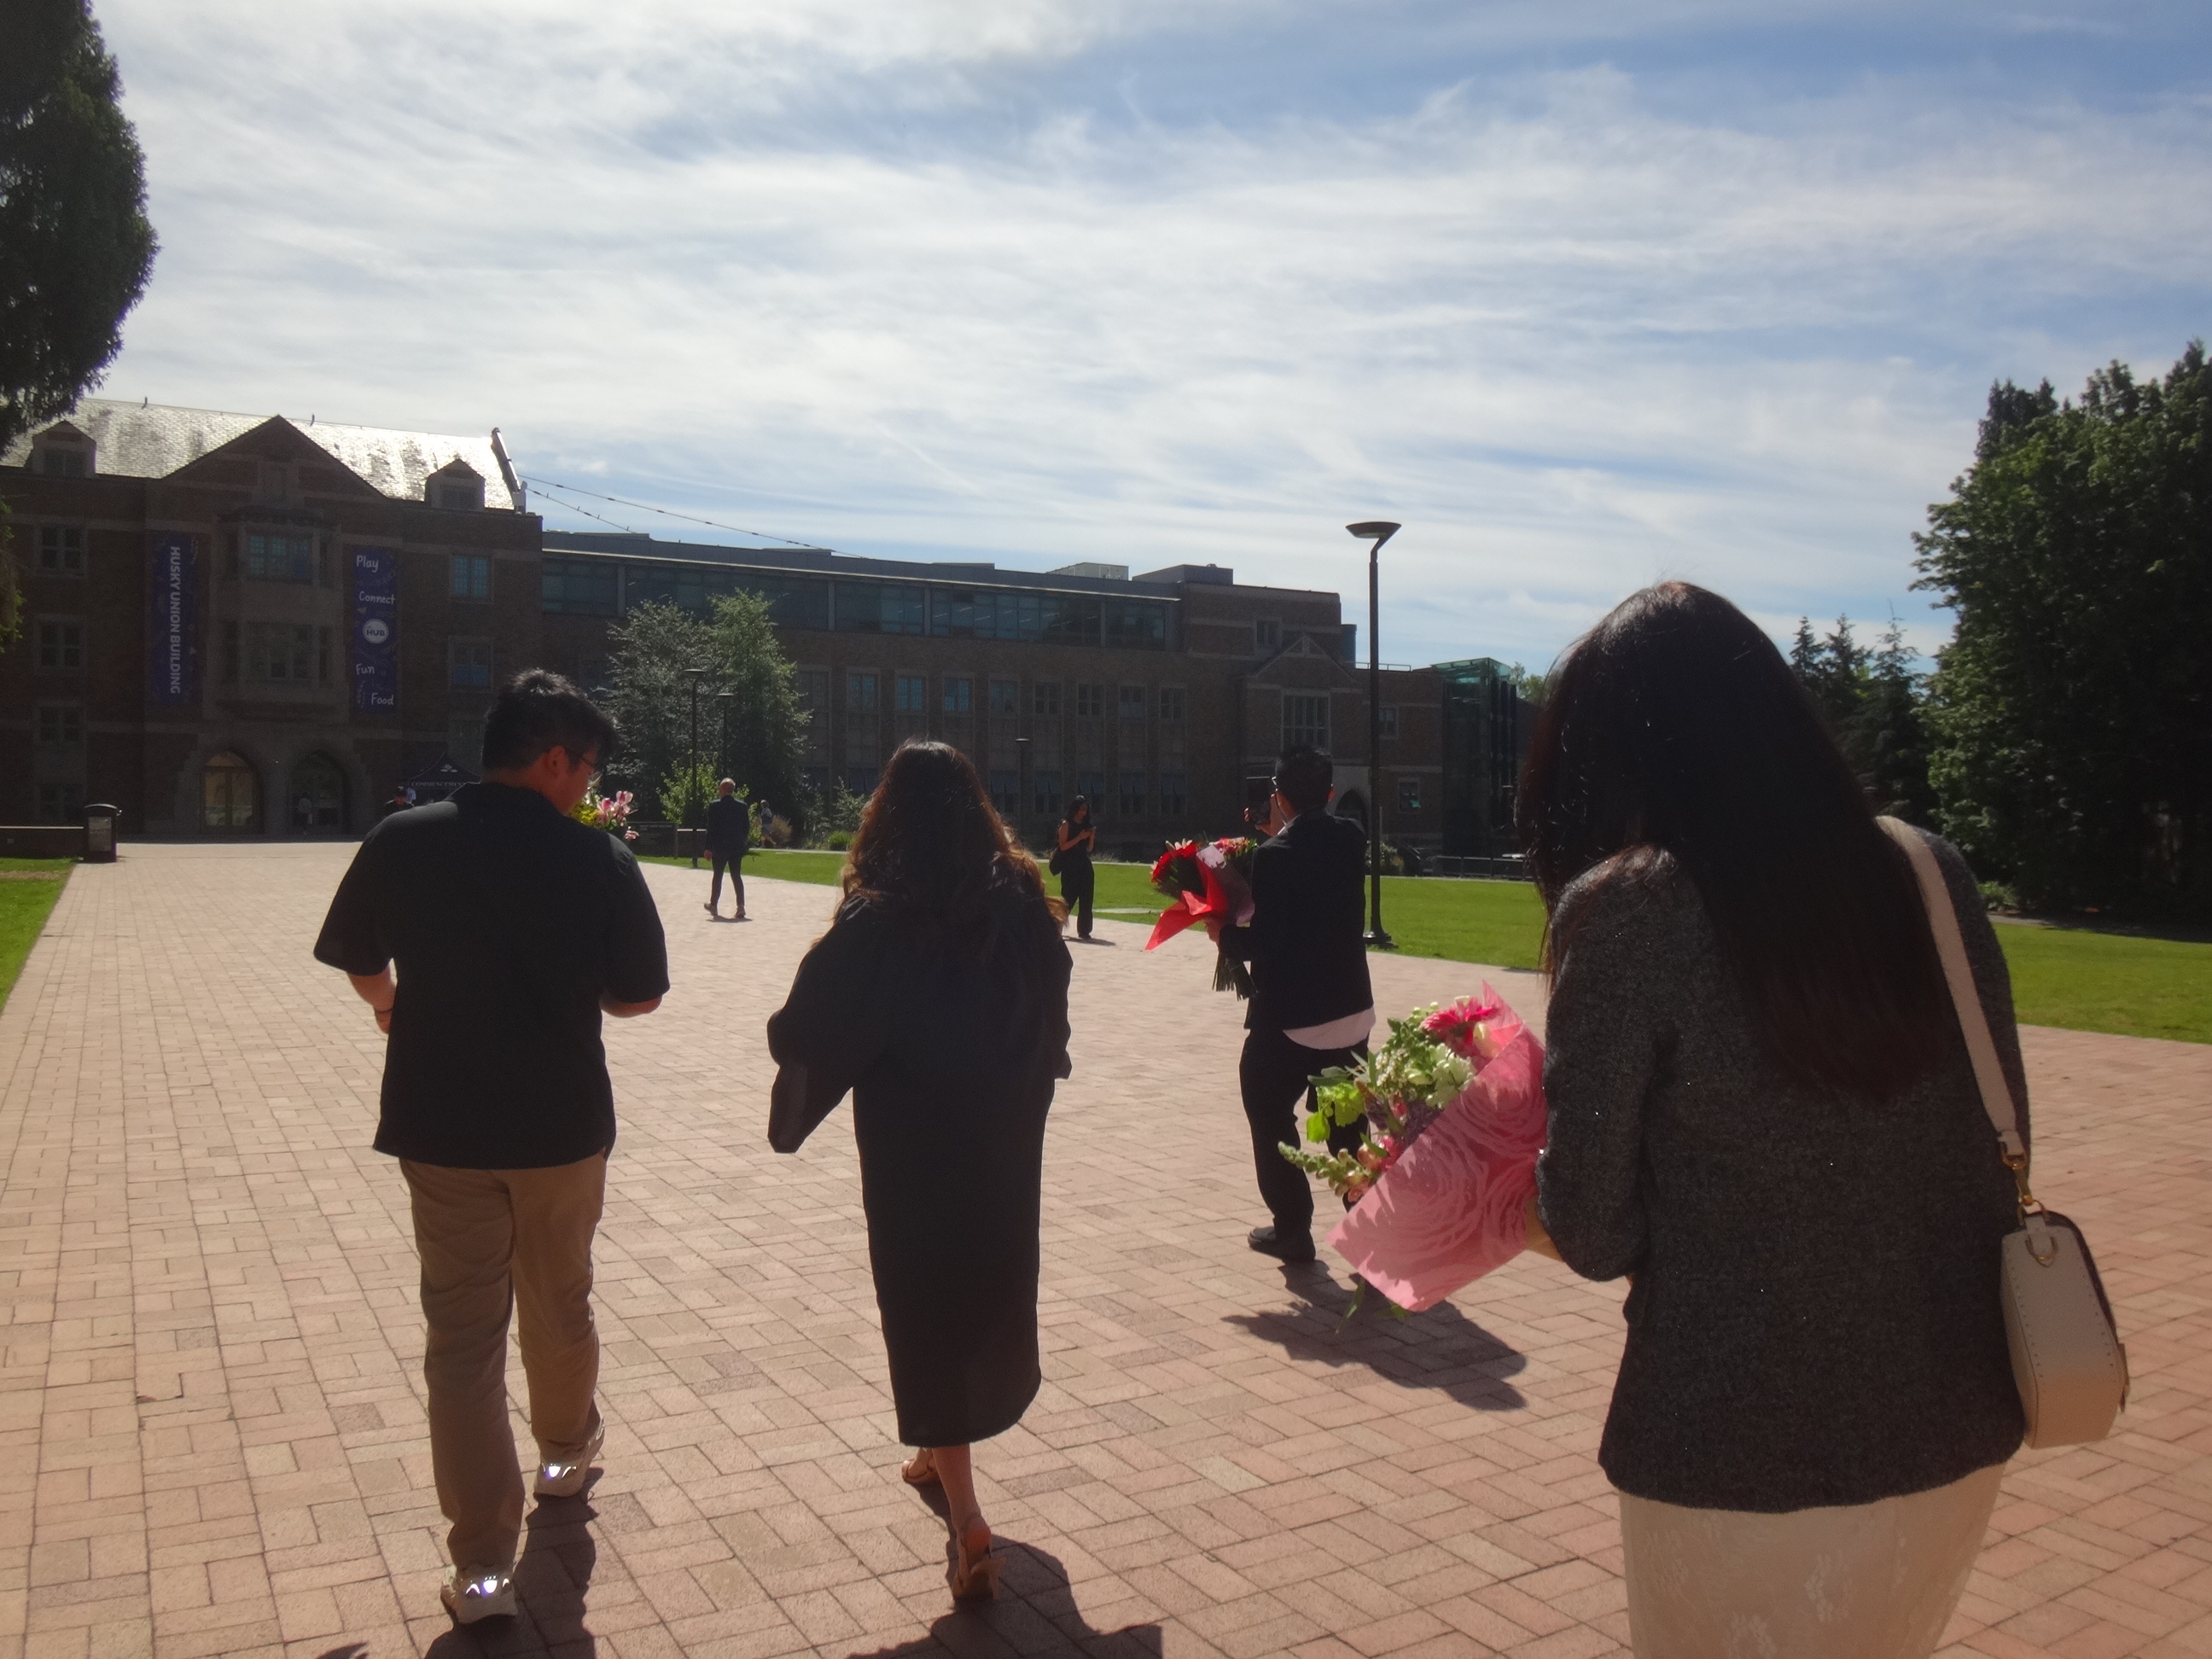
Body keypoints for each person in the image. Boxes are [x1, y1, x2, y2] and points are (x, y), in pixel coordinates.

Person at [1523, 583, 2023, 1659]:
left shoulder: (1631, 908)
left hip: (1734, 1445)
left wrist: (1481, 1171)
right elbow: (1997, 1137)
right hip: (1954, 1416)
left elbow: (1593, 1232)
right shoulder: (1930, 870)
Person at [312, 670, 669, 1627]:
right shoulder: (598, 859)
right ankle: (565, 1453)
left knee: (463, 1338)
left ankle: (480, 1569)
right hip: (560, 1129)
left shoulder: (404, 838)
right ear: (553, 759)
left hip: (442, 1125)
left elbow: (360, 960)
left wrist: (390, 1006)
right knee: (559, 1299)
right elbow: (638, 996)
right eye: (587, 767)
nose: (589, 786)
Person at [766, 741, 1071, 1603]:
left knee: (925, 1301)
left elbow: (814, 1021)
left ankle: (967, 1516)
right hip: (1001, 1131)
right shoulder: (1019, 900)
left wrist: (797, 1066)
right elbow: (1053, 1000)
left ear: (887, 813)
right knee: (987, 1284)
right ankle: (939, 1452)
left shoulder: (883, 913)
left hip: (913, 1139)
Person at [1213, 746, 1373, 1262]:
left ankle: (1293, 1229)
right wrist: (1279, 832)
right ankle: (1374, 1236)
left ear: (1278, 796)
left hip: (1295, 1020)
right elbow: (1316, 861)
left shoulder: (1274, 856)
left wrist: (1222, 935)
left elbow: (1266, 943)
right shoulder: (1351, 836)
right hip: (1351, 1011)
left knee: (1267, 1109)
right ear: (1331, 793)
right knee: (1348, 1129)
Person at [704, 777, 750, 920]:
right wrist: (742, 841)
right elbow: (746, 828)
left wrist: (708, 848)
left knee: (718, 875)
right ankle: (741, 906)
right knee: (736, 876)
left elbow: (711, 828)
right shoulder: (742, 806)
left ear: (723, 789)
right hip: (736, 846)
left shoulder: (715, 806)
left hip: (720, 846)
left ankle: (714, 904)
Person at [1054, 795, 1097, 940]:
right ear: (1075, 809)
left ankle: (1084, 930)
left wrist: (1091, 837)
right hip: (1070, 866)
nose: (1083, 813)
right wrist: (1079, 838)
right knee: (1068, 898)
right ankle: (1057, 926)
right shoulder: (1066, 824)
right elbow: (1063, 846)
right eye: (1081, 809)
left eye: (1085, 810)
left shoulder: (1086, 825)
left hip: (1084, 866)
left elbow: (1089, 849)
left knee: (1086, 899)